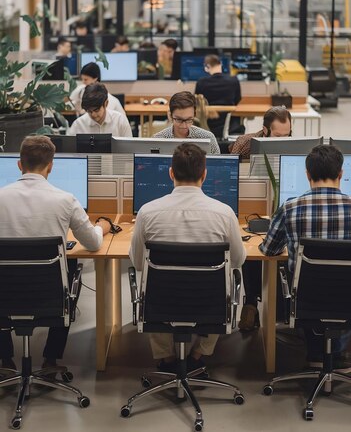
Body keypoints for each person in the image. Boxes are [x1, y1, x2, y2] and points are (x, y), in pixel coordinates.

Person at [130, 143, 245, 373]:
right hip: (208, 302)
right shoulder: (224, 213)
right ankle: (198, 354)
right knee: (226, 281)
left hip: (161, 301)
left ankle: (166, 357)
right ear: (205, 174)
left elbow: (137, 261)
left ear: (171, 173)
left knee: (151, 282)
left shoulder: (147, 211)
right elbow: (238, 259)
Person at [0, 135, 111, 370]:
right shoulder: (66, 200)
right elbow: (92, 244)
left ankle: (5, 359)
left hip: (5, 294)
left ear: (19, 164)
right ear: (51, 165)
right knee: (72, 268)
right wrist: (102, 227)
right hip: (49, 296)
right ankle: (51, 359)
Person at [260, 144, 351, 366]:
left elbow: (269, 250)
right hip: (347, 295)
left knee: (304, 282)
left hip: (305, 297)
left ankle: (316, 352)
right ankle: (336, 354)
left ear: (307, 174)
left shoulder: (290, 207)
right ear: (341, 173)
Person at [236, 106, 292, 331]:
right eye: (279, 136)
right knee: (250, 246)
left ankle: (281, 308)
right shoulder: (245, 144)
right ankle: (251, 302)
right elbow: (231, 176)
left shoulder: (298, 147)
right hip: (251, 206)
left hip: (285, 205)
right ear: (265, 131)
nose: (285, 140)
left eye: (288, 135)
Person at [154, 91, 220, 154]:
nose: (184, 126)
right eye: (179, 120)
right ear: (170, 115)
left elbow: (217, 164)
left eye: (189, 120)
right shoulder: (158, 139)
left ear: (194, 115)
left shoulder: (208, 138)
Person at [195, 54, 242, 138]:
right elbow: (237, 99)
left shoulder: (202, 82)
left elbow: (197, 101)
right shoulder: (234, 80)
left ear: (207, 66)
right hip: (229, 122)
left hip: (208, 122)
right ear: (220, 64)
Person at [68, 83, 132, 137]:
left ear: (106, 104)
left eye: (96, 110)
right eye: (89, 111)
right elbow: (70, 150)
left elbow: (129, 148)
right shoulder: (78, 125)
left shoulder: (120, 121)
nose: (93, 114)